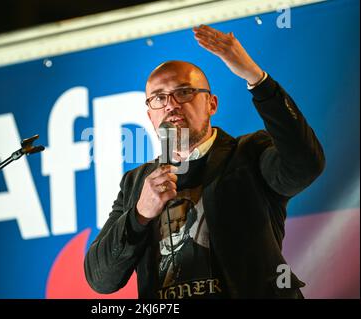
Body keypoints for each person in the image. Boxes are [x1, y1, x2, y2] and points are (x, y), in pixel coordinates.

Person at [84, 25, 325, 299]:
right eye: (159, 98)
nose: (171, 105)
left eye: (184, 92)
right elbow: (100, 279)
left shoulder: (249, 154)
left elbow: (306, 164)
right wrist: (139, 215)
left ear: (211, 104)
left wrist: (258, 80)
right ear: (150, 115)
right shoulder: (136, 183)